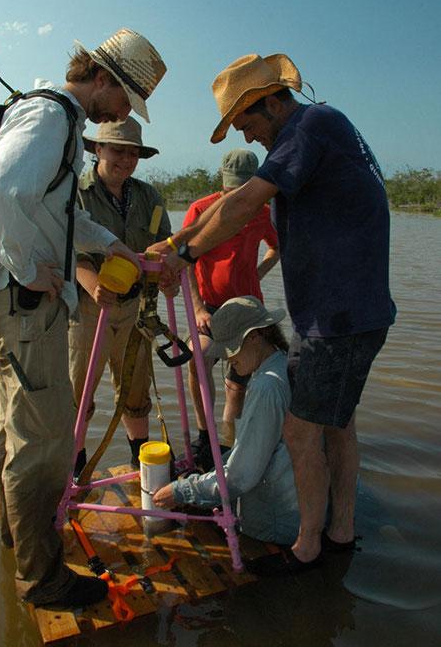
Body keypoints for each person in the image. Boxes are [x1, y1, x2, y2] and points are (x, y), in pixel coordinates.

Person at [152, 51, 396, 575]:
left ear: (271, 102)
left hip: (338, 316)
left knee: (300, 430)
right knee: (338, 425)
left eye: (247, 122)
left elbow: (241, 207)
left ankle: (309, 547)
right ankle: (340, 531)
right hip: (347, 311)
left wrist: (186, 256)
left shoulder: (311, 126)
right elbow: (233, 200)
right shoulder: (315, 130)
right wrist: (176, 240)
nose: (246, 137)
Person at [0, 28, 166, 607]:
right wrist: (27, 268)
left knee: (16, 428)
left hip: (20, 303)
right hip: (28, 302)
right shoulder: (54, 116)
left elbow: (52, 208)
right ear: (104, 80)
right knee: (45, 436)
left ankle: (20, 544)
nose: (118, 117)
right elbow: (3, 194)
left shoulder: (54, 118)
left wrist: (112, 244)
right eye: (122, 102)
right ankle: (42, 577)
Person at [68, 116, 171, 472]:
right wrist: (94, 285)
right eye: (117, 150)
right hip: (86, 310)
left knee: (136, 391)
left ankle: (138, 468)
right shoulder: (76, 192)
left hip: (135, 309)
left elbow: (164, 248)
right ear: (98, 149)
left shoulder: (149, 196)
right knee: (78, 395)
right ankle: (75, 474)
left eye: (133, 153)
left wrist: (167, 271)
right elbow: (71, 254)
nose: (126, 159)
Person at [153, 296, 299, 544]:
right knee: (211, 454)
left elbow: (242, 475)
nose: (227, 358)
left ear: (256, 335)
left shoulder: (267, 386)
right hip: (286, 489)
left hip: (273, 522)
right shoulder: (280, 364)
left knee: (190, 512)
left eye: (231, 349)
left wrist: (183, 491)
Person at [183, 148, 279, 459]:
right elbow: (184, 260)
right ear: (222, 179)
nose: (233, 195)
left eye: (242, 189)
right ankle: (203, 435)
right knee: (197, 360)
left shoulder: (262, 211)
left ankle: (228, 443)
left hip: (247, 309)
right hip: (209, 307)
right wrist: (197, 308)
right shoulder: (201, 210)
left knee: (238, 382)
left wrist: (257, 273)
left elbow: (277, 248)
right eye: (229, 188)